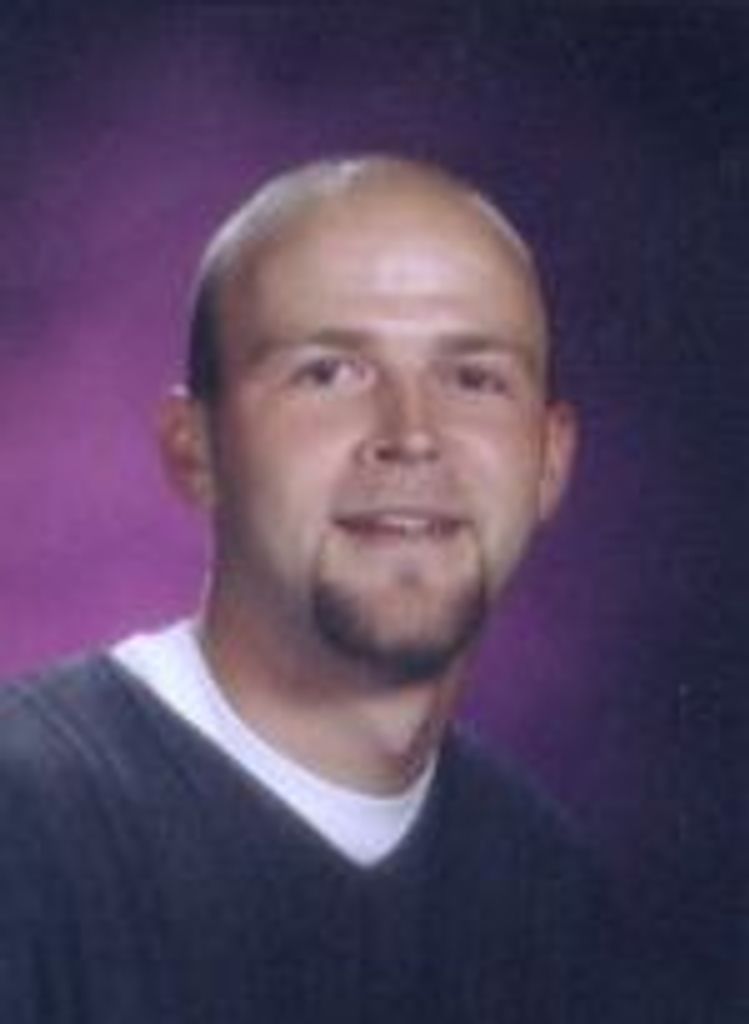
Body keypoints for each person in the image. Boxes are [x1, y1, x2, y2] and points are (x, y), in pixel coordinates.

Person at [0, 156, 649, 1022]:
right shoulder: (25, 822)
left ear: (550, 461)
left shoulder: (546, 893)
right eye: (329, 372)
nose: (411, 435)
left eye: (473, 379)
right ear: (195, 447)